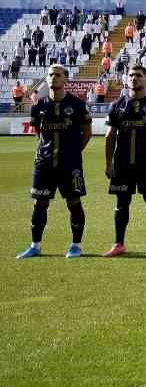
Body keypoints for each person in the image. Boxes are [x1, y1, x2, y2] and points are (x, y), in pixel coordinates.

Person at [17, 65, 91, 259]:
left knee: (74, 202)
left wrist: (74, 152)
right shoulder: (38, 106)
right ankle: (35, 245)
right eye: (50, 75)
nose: (53, 78)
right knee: (39, 203)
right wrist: (45, 151)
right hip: (44, 164)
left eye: (57, 75)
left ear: (65, 79)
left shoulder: (77, 104)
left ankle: (76, 245)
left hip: (70, 165)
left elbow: (87, 132)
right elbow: (38, 134)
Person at [104, 63, 146, 256]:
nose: (134, 78)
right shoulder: (117, 105)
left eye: (139, 75)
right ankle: (118, 244)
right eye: (131, 75)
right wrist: (109, 163)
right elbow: (110, 136)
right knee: (121, 204)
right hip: (122, 164)